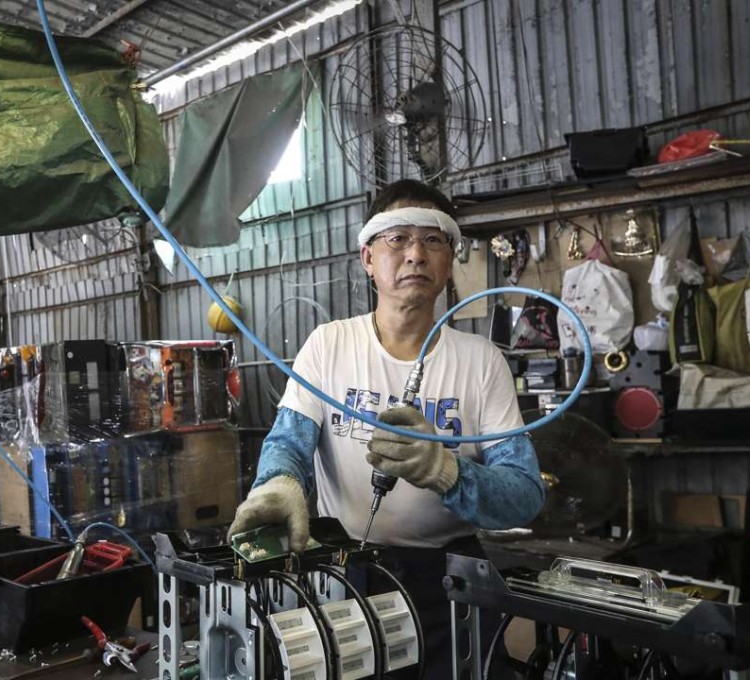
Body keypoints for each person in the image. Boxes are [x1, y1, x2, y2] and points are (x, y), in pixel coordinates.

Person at [228, 179, 546, 680]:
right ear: (368, 257)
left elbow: (524, 495)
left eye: (433, 240)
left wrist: (448, 472)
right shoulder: (328, 345)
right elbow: (289, 441)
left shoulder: (482, 362)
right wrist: (282, 483)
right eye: (397, 239)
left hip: (453, 580)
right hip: (349, 571)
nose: (415, 254)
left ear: (450, 259)